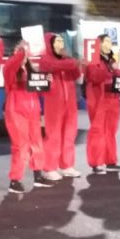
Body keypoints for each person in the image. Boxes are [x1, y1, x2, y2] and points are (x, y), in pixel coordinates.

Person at [3, 42, 52, 193]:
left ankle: (38, 176)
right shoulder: (10, 69)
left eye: (25, 51)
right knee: (20, 146)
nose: (23, 53)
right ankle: (15, 181)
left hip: (33, 112)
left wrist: (48, 82)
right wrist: (22, 51)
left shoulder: (31, 71)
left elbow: (41, 92)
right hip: (16, 112)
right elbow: (12, 64)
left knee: (37, 144)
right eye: (19, 50)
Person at [39, 33, 81, 180]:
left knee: (70, 134)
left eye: (62, 41)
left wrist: (71, 62)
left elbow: (76, 74)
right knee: (53, 135)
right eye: (57, 41)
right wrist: (72, 62)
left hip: (70, 103)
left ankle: (66, 165)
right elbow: (53, 66)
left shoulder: (66, 59)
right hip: (53, 103)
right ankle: (49, 167)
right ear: (50, 44)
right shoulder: (45, 59)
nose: (61, 43)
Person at [85, 35, 120, 175]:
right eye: (106, 41)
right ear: (99, 44)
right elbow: (94, 76)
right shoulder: (93, 59)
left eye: (110, 41)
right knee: (97, 131)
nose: (109, 43)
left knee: (111, 131)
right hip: (99, 99)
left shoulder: (112, 60)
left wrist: (116, 70)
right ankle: (95, 163)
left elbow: (118, 78)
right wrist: (110, 70)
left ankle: (110, 161)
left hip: (113, 99)